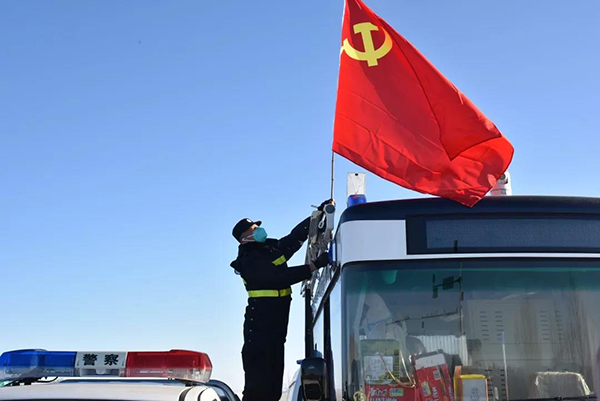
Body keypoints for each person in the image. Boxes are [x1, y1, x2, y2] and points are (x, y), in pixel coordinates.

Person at [230, 202, 331, 401]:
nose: (260, 231)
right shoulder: (249, 261)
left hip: (274, 329)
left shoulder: (269, 250)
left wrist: (317, 216)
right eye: (255, 229)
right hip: (259, 330)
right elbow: (279, 277)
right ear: (244, 239)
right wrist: (313, 266)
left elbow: (293, 239)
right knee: (259, 387)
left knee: (273, 386)